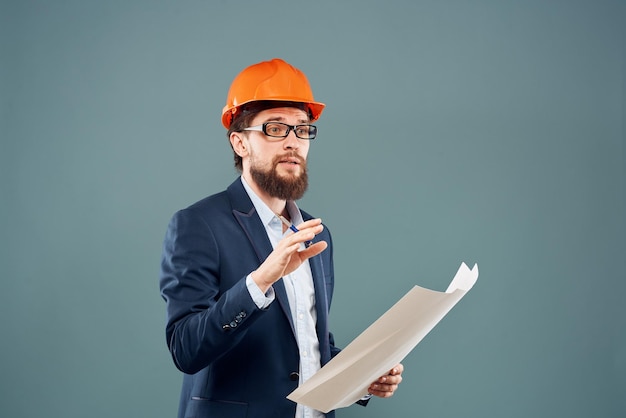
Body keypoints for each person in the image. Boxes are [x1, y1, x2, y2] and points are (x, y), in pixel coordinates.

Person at [159, 58, 403, 418]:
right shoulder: (197, 225)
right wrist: (260, 282)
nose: (293, 142)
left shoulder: (317, 235)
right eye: (275, 129)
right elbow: (186, 349)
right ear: (240, 143)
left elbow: (308, 347)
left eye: (302, 129)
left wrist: (364, 377)